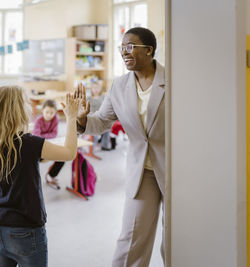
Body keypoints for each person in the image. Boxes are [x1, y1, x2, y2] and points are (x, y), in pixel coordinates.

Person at [75, 27, 166, 266]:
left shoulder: (175, 80)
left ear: (149, 50)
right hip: (142, 172)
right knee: (131, 238)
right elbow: (103, 121)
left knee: (177, 238)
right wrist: (83, 119)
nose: (124, 52)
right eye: (121, 48)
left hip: (177, 170)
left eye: (130, 47)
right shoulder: (119, 85)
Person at [0, 86, 79, 267]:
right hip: (26, 230)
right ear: (20, 111)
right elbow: (69, 153)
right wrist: (71, 117)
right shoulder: (30, 143)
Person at [33, 99, 63, 189]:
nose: (49, 115)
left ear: (55, 112)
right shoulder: (38, 120)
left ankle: (51, 174)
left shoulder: (55, 119)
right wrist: (47, 136)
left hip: (50, 146)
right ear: (42, 111)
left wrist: (44, 136)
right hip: (39, 149)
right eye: (47, 112)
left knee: (63, 156)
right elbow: (37, 136)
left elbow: (54, 134)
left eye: (52, 112)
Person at [87, 81, 111, 151]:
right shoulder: (89, 98)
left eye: (97, 88)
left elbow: (107, 108)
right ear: (91, 89)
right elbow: (87, 110)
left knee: (107, 128)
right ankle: (92, 147)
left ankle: (105, 145)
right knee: (94, 130)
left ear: (100, 89)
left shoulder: (104, 97)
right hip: (92, 118)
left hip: (102, 118)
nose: (96, 90)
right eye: (94, 88)